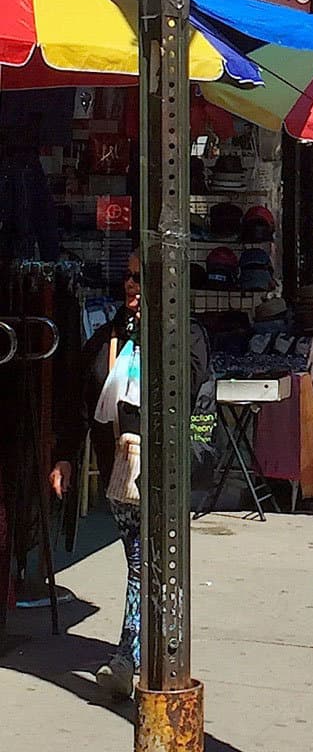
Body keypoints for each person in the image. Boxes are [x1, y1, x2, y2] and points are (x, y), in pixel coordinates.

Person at [49, 251, 208, 700]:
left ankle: (127, 656)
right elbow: (81, 401)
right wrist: (65, 457)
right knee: (140, 561)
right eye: (129, 278)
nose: (130, 286)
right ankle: (148, 647)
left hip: (163, 473)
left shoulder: (186, 336)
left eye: (141, 278)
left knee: (143, 562)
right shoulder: (108, 337)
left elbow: (193, 392)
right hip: (120, 476)